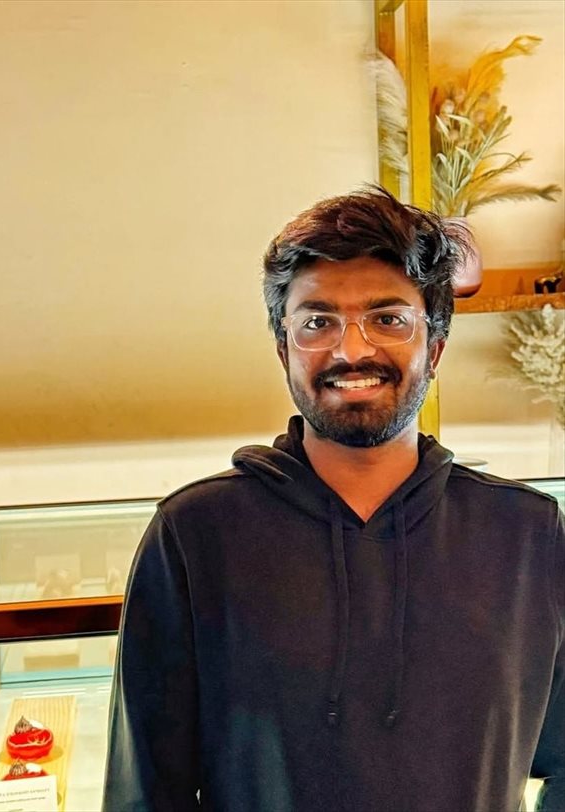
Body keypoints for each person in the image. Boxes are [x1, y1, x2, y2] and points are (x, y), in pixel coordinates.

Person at [102, 187, 564, 812]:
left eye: (388, 319)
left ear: (433, 349)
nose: (352, 351)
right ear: (283, 350)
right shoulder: (196, 535)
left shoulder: (527, 536)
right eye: (317, 322)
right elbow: (145, 793)